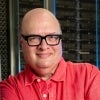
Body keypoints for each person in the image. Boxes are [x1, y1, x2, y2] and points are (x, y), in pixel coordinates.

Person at [0, 8, 100, 100]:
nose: (44, 46)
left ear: (60, 40)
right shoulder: (11, 88)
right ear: (22, 43)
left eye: (52, 37)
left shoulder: (89, 76)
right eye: (34, 38)